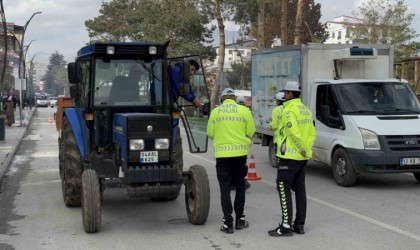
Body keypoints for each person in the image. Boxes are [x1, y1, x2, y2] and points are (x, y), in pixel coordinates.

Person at [268, 81, 316, 237]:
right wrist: (307, 150)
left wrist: (302, 149)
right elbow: (311, 133)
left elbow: (293, 133)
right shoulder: (306, 110)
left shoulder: (289, 110)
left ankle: (285, 226)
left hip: (289, 156)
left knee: (283, 187)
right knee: (300, 189)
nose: (285, 95)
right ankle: (299, 225)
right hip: (302, 158)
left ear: (289, 94)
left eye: (286, 92)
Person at [207, 87, 256, 234]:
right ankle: (240, 220)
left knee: (225, 189)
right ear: (234, 98)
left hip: (222, 156)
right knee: (240, 187)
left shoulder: (215, 112)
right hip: (240, 155)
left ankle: (228, 223)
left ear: (222, 98)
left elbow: (210, 133)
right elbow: (251, 132)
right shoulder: (244, 111)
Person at [268, 91, 286, 162]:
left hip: (279, 138)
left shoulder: (276, 110)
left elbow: (273, 125)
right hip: (288, 138)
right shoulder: (289, 108)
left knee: (279, 156)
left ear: (278, 101)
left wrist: (270, 125)